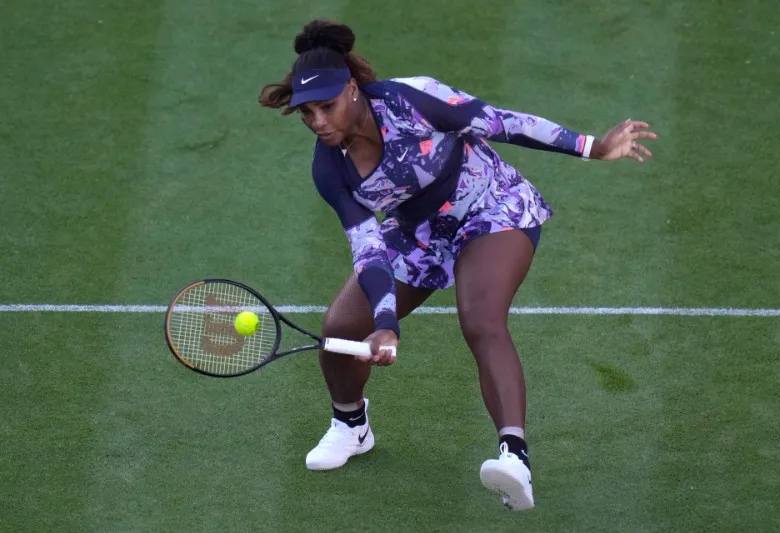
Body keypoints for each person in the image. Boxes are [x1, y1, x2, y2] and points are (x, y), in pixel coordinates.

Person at [259, 19, 657, 511]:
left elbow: (501, 121)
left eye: (327, 106)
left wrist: (591, 146)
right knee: (341, 328)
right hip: (418, 233)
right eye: (308, 112)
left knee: (481, 319)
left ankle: (514, 459)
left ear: (353, 89)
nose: (318, 121)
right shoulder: (329, 167)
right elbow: (368, 248)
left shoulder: (412, 100)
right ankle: (351, 425)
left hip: (490, 205)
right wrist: (384, 324)